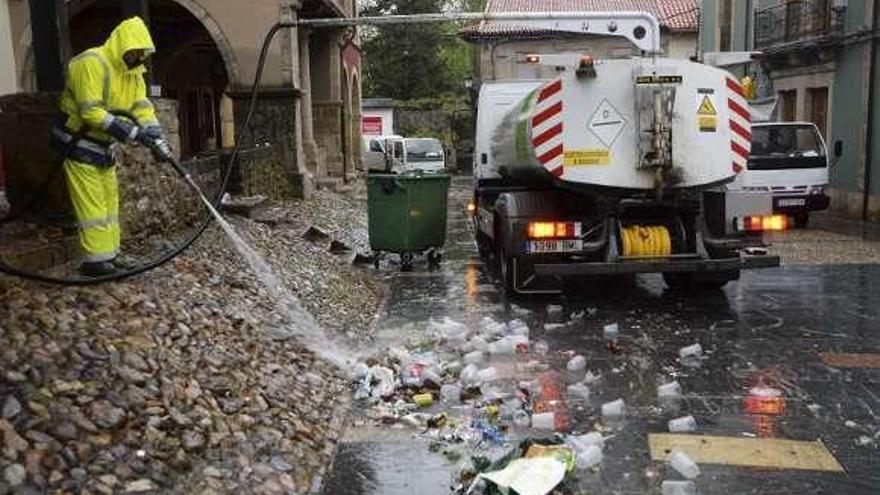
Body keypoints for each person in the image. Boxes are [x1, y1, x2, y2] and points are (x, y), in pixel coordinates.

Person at [52, 16, 172, 277]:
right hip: (77, 140)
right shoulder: (92, 63)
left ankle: (111, 255)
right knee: (92, 202)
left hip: (103, 145)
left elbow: (141, 107)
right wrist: (129, 131)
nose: (138, 57)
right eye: (134, 51)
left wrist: (153, 131)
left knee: (109, 201)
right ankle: (95, 262)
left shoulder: (134, 72)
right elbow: (90, 111)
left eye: (142, 53)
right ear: (122, 44)